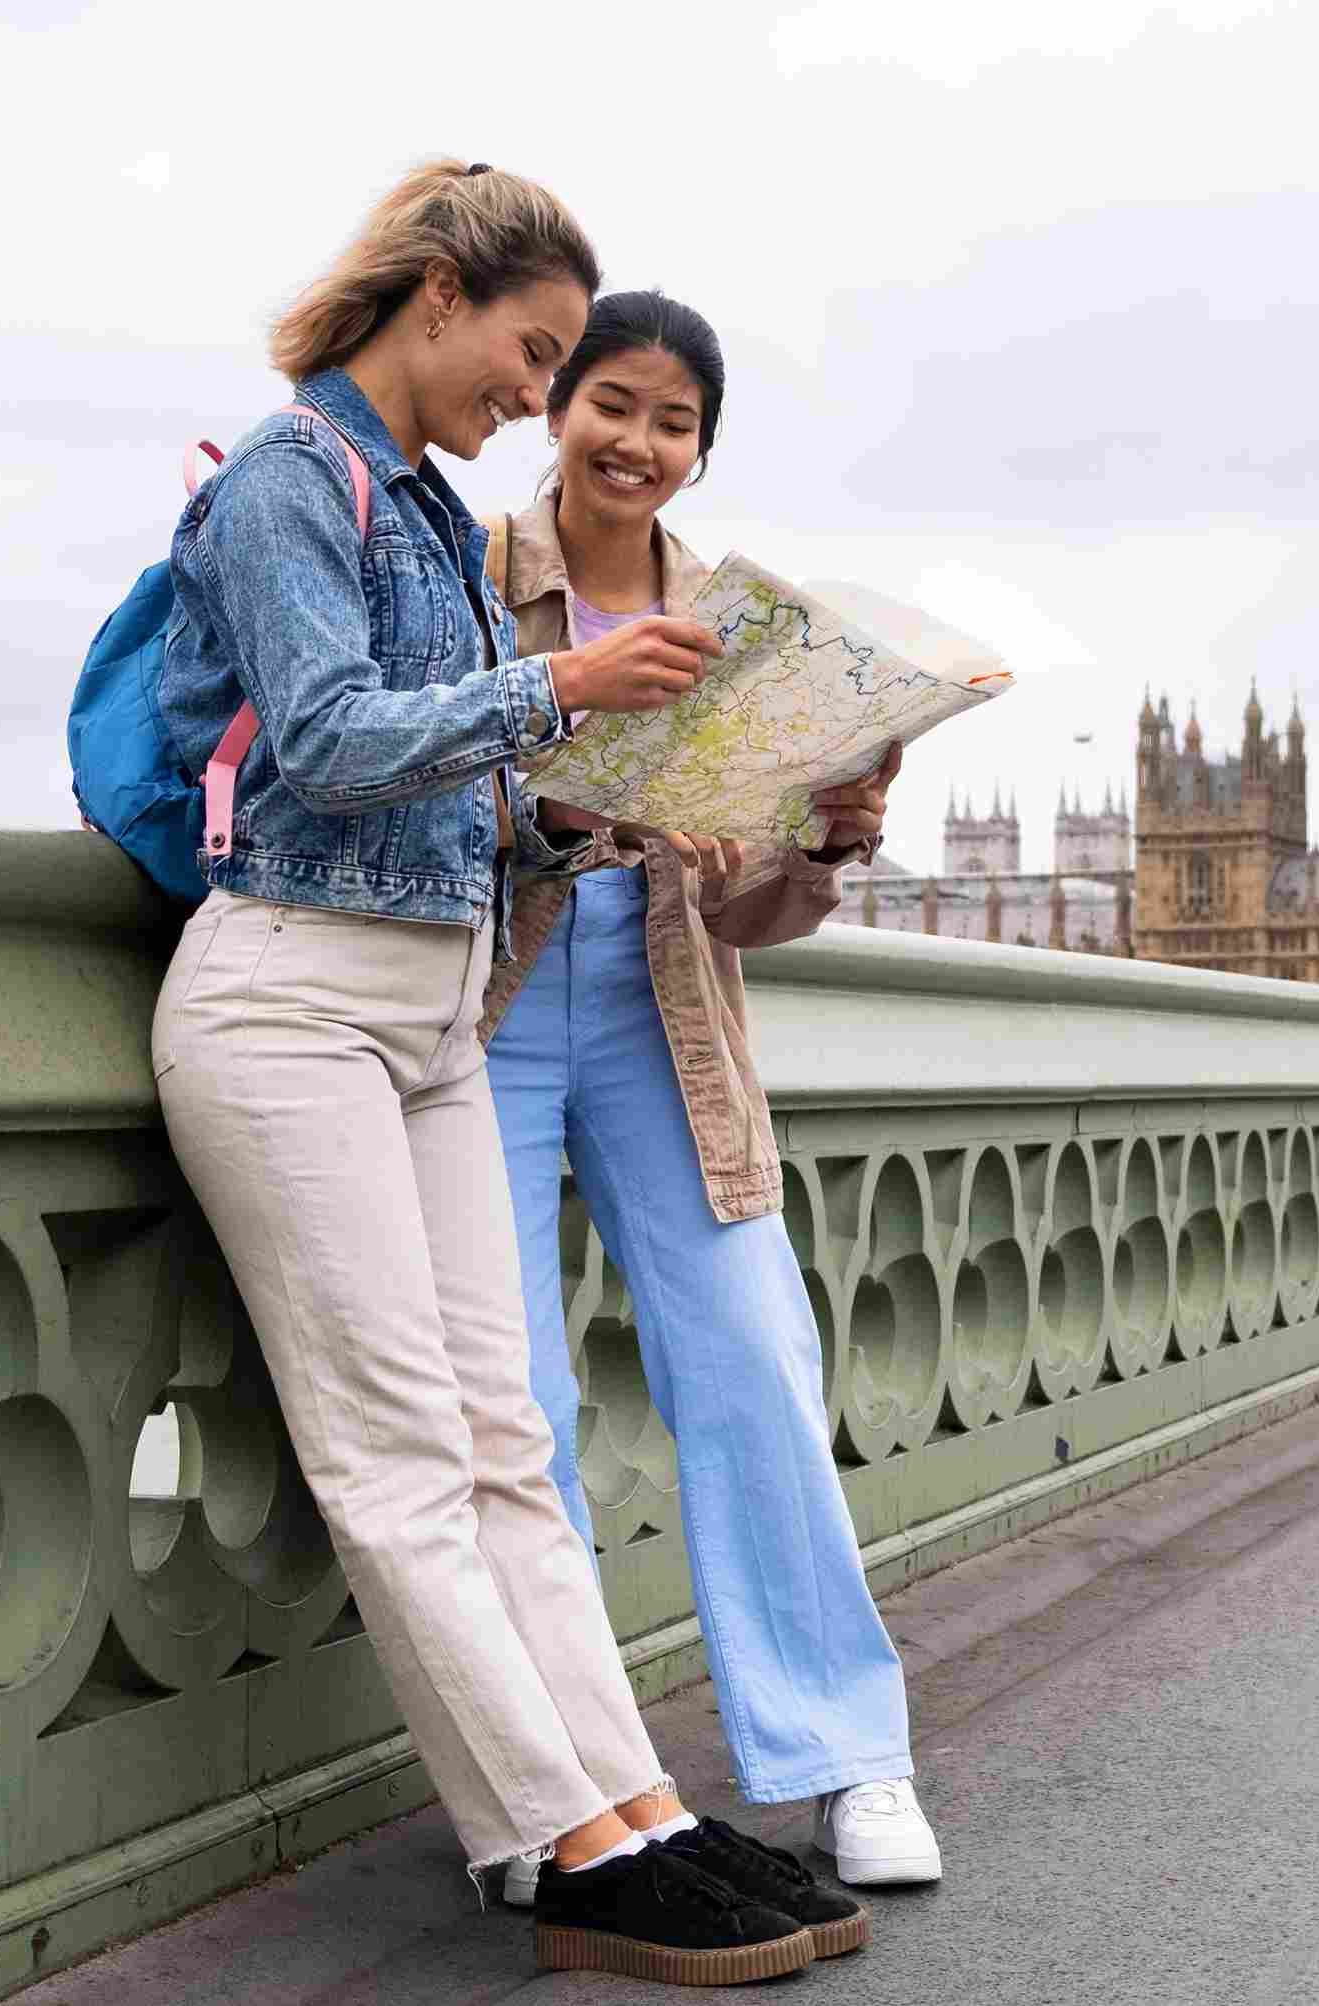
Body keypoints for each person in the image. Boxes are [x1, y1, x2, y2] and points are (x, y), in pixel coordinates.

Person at [150, 162, 835, 1987]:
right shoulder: (286, 476)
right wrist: (569, 689)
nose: (532, 401)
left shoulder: (437, 522)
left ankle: (638, 1807)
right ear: (433, 292)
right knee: (397, 1460)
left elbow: (455, 792)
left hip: (435, 1011)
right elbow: (324, 737)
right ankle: (557, 1842)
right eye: (531, 360)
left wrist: (607, 812)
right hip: (288, 1002)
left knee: (505, 1444)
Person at [480, 291, 943, 1908]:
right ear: (557, 405)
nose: (638, 441)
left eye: (674, 422)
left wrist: (812, 842)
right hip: (488, 1009)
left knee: (752, 1362)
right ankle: (557, 1802)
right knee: (510, 1414)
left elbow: (747, 923)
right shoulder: (472, 579)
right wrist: (555, 787)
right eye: (614, 402)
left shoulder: (750, 631)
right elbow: (404, 800)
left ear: (700, 449)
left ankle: (843, 1756)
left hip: (669, 1019)